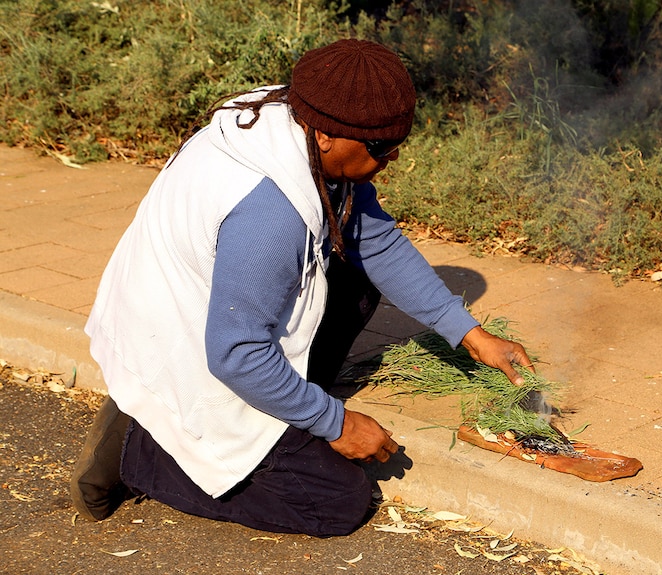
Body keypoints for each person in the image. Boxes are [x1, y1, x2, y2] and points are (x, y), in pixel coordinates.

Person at [70, 38, 533, 537]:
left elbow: (374, 240)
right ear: (329, 135)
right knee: (336, 503)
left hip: (213, 319)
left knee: (355, 276)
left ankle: (287, 406)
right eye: (380, 147)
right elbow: (237, 355)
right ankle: (137, 451)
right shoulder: (272, 213)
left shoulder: (295, 120)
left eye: (396, 143)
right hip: (189, 348)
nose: (393, 157)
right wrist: (336, 422)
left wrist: (470, 334)